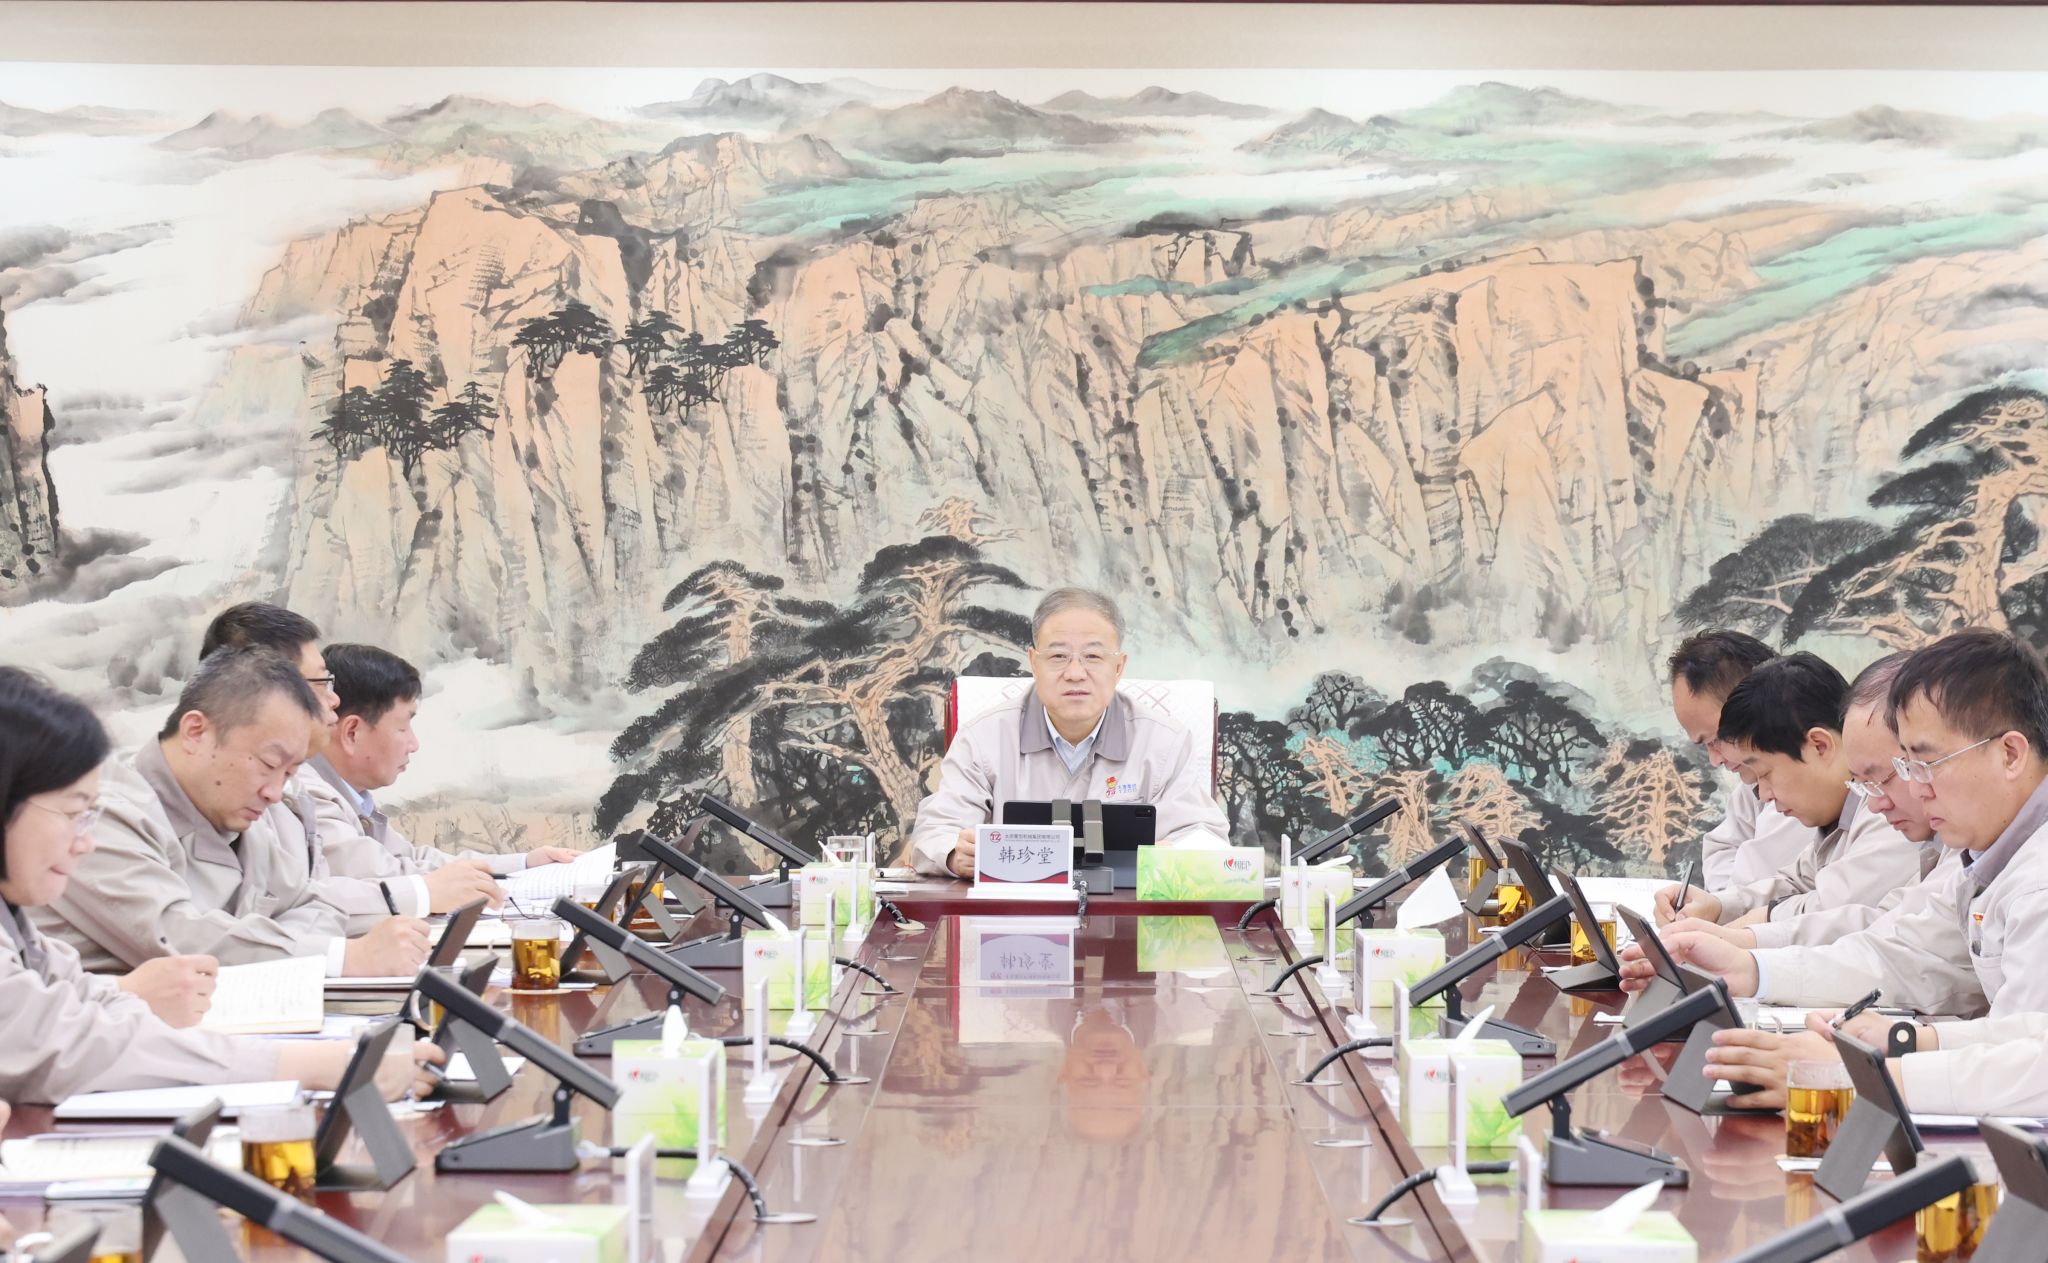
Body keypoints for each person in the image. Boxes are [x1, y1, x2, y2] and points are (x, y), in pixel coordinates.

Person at [0, 667, 442, 1103]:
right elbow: (68, 1038)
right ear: (197, 731)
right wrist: (325, 1065)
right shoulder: (121, 810)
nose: (84, 842)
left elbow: (312, 902)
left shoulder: (250, 812)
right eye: (73, 814)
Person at [1644, 629, 2048, 1100]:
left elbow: (2033, 1062)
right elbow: (1905, 954)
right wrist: (1752, 969)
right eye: (1905, 769)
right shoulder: (1981, 858)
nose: (1915, 791)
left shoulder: (2035, 878)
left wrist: (1852, 1078)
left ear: (2010, 754)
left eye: (1924, 764)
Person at [32, 648, 425, 978]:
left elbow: (316, 905)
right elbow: (180, 940)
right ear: (196, 732)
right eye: (268, 764)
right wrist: (340, 958)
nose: (275, 792)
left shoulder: (241, 813)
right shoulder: (100, 811)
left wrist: (279, 942)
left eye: (289, 773)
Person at [199, 603, 501, 921]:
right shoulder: (199, 799)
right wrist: (420, 895)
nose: (334, 700)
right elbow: (268, 917)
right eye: (321, 684)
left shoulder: (288, 790)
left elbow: (303, 899)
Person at [911, 587, 1227, 879]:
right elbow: (936, 830)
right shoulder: (982, 738)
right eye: (1058, 656)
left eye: (1093, 657)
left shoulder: (1164, 742)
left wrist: (1174, 854)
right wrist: (954, 854)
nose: (1075, 673)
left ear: (1118, 667)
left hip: (1129, 913)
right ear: (1034, 663)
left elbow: (1205, 835)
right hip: (1017, 910)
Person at [1656, 654, 1959, 949]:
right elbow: (1797, 882)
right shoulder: (1849, 807)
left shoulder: (1892, 813)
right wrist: (1719, 907)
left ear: (1820, 745)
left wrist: (1751, 931)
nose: (1764, 794)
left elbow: (1845, 914)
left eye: (1888, 773)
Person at [304, 643, 580, 902]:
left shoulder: (347, 794)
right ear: (352, 732)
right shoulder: (308, 794)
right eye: (403, 728)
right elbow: (386, 876)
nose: (414, 744)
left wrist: (524, 863)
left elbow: (411, 859)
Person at [1667, 631, 1817, 888]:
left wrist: (1723, 902)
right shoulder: (1751, 784)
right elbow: (1720, 850)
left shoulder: (1806, 785)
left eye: (1716, 740)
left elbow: (1752, 886)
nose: (1715, 760)